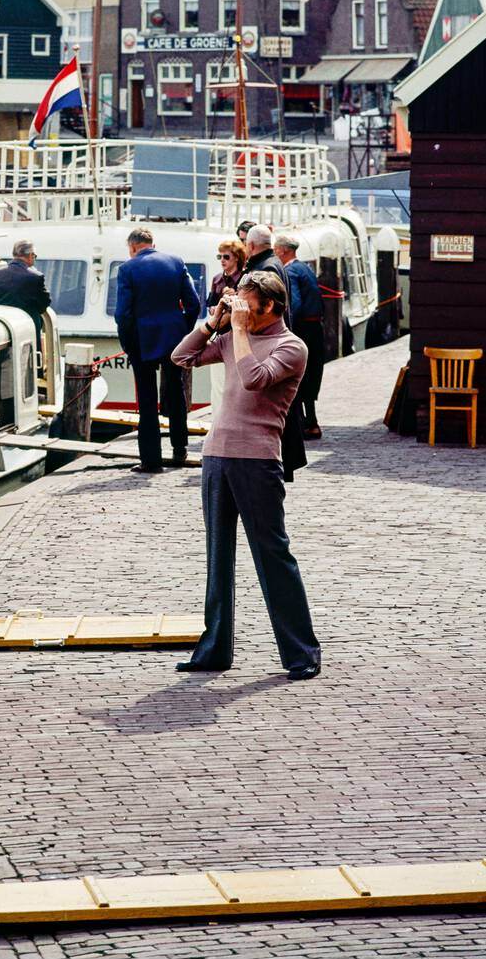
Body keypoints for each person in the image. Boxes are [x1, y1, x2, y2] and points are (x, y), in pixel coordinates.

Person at [171, 270, 321, 681]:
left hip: (257, 460)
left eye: (249, 308)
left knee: (272, 555)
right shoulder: (233, 335)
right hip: (216, 456)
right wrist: (213, 322)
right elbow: (180, 358)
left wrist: (237, 331)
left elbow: (255, 380)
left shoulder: (292, 347)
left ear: (271, 306)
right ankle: (214, 649)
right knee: (218, 557)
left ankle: (301, 652)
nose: (244, 316)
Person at [113, 227, 200, 473]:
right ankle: (180, 449)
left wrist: (128, 343)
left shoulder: (127, 269)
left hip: (142, 340)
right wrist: (183, 330)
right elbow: (193, 304)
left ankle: (151, 461)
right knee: (176, 392)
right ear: (153, 243)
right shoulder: (175, 262)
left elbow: (123, 314)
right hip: (173, 337)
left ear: (132, 247)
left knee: (148, 400)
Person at [243, 224, 306, 478]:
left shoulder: (266, 267)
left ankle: (284, 462)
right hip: (273, 338)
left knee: (277, 405)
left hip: (270, 340)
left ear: (250, 246)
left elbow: (267, 307)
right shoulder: (272, 262)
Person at [274, 233, 326, 439]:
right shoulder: (305, 268)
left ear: (283, 250)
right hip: (315, 329)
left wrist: (286, 331)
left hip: (302, 329)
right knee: (311, 374)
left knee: (298, 375)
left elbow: (294, 304)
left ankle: (305, 423)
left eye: (276, 249)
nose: (275, 252)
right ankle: (311, 421)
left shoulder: (290, 271)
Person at [0, 240, 52, 346]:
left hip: (0, 328)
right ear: (30, 255)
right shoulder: (35, 277)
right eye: (35, 256)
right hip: (26, 329)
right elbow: (44, 302)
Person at [206, 238, 246, 322]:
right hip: (221, 327)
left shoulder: (245, 277)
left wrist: (236, 295)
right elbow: (210, 304)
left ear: (236, 258)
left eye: (226, 257)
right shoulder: (216, 279)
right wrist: (213, 309)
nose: (222, 260)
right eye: (219, 257)